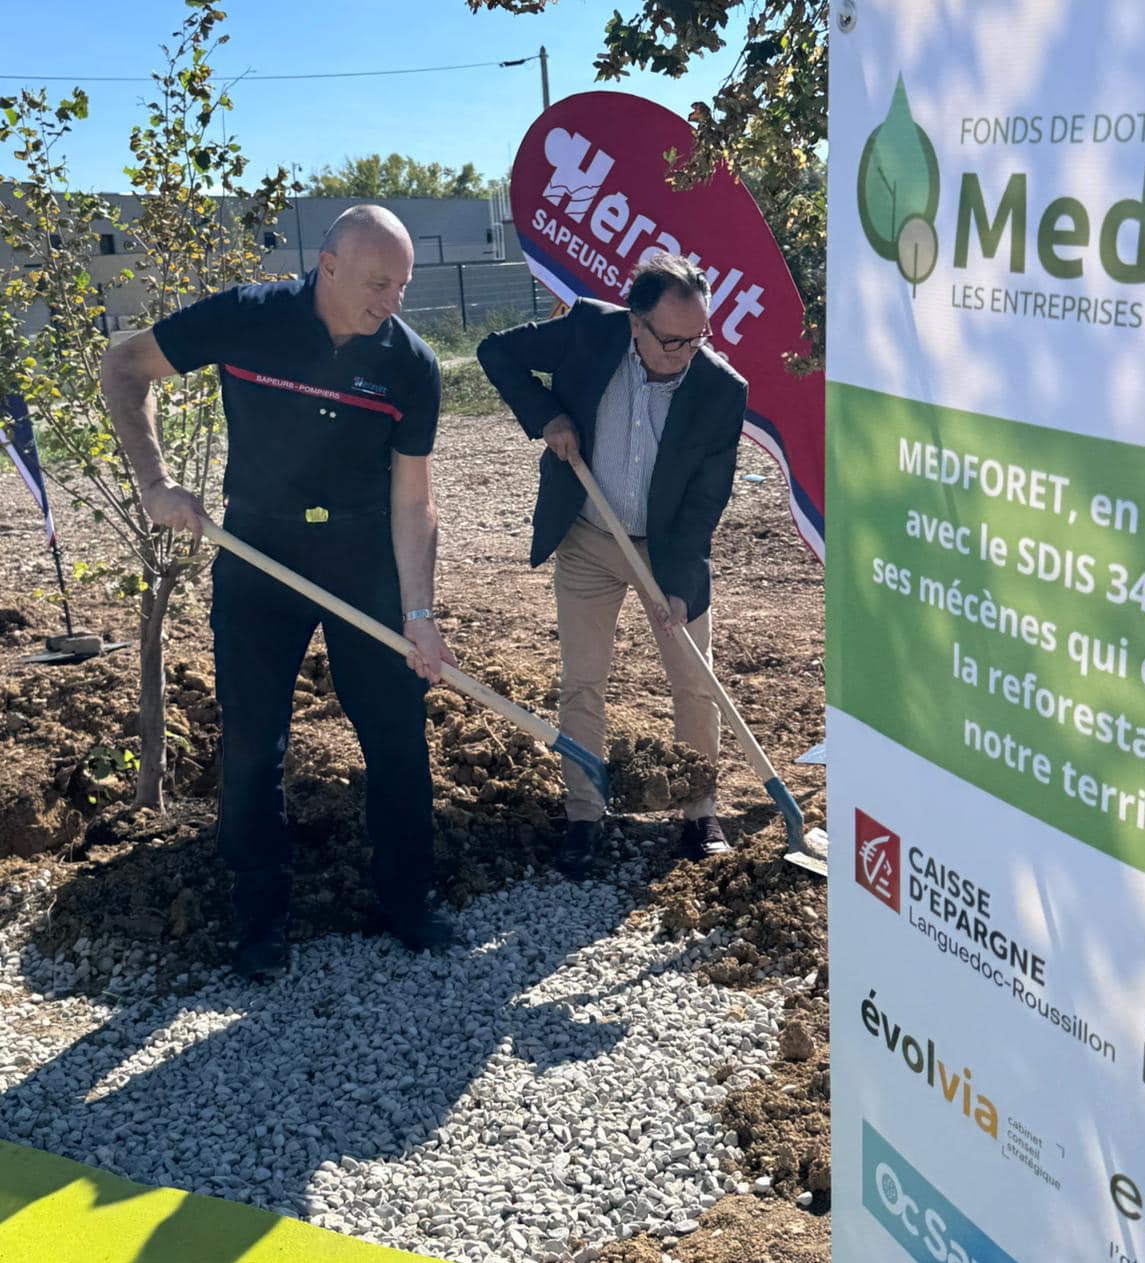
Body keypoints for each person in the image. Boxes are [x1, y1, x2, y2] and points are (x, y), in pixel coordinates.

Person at [101, 204, 456, 979]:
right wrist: (155, 482)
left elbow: (413, 500)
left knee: (396, 736)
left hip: (363, 558)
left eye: (401, 285)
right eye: (377, 283)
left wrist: (419, 613)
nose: (391, 301)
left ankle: (408, 898)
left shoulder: (410, 364)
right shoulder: (248, 317)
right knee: (252, 741)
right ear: (327, 266)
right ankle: (259, 914)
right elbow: (123, 367)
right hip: (257, 551)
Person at [477, 253, 747, 876]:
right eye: (672, 340)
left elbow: (705, 501)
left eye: (698, 337)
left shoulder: (720, 389)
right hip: (588, 536)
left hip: (664, 548)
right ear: (635, 322)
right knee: (583, 679)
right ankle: (583, 814)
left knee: (694, 680)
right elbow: (496, 352)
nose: (686, 353)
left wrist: (680, 586)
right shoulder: (589, 331)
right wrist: (547, 415)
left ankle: (699, 811)